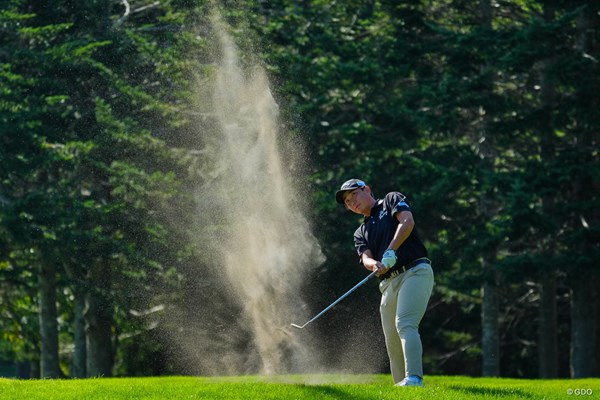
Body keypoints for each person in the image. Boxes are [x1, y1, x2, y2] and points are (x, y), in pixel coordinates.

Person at [335, 179, 434, 387]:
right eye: (347, 201)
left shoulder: (390, 200)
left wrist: (391, 250)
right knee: (392, 339)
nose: (352, 202)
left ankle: (415, 378)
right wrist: (374, 265)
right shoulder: (360, 232)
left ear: (367, 190)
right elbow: (365, 257)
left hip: (414, 271)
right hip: (388, 282)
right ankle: (401, 387)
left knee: (405, 323)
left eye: (354, 195)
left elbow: (407, 222)